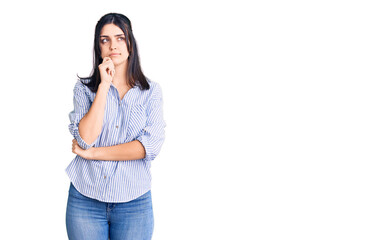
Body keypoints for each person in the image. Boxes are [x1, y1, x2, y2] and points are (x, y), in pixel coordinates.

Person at [65, 13, 166, 240]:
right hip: (85, 200)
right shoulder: (83, 90)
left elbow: (148, 148)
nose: (113, 46)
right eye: (105, 40)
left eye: (120, 38)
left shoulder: (151, 92)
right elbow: (85, 139)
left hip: (134, 203)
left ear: (130, 43)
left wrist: (92, 154)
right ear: (98, 47)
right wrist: (104, 86)